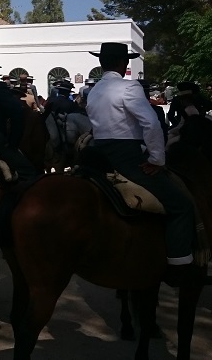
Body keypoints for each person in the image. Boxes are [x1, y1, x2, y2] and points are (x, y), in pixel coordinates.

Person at [85, 42, 195, 286]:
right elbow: (151, 124)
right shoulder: (130, 87)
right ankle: (178, 265)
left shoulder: (93, 90)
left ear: (102, 63)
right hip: (126, 156)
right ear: (123, 64)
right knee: (182, 206)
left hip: (98, 153)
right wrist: (157, 158)